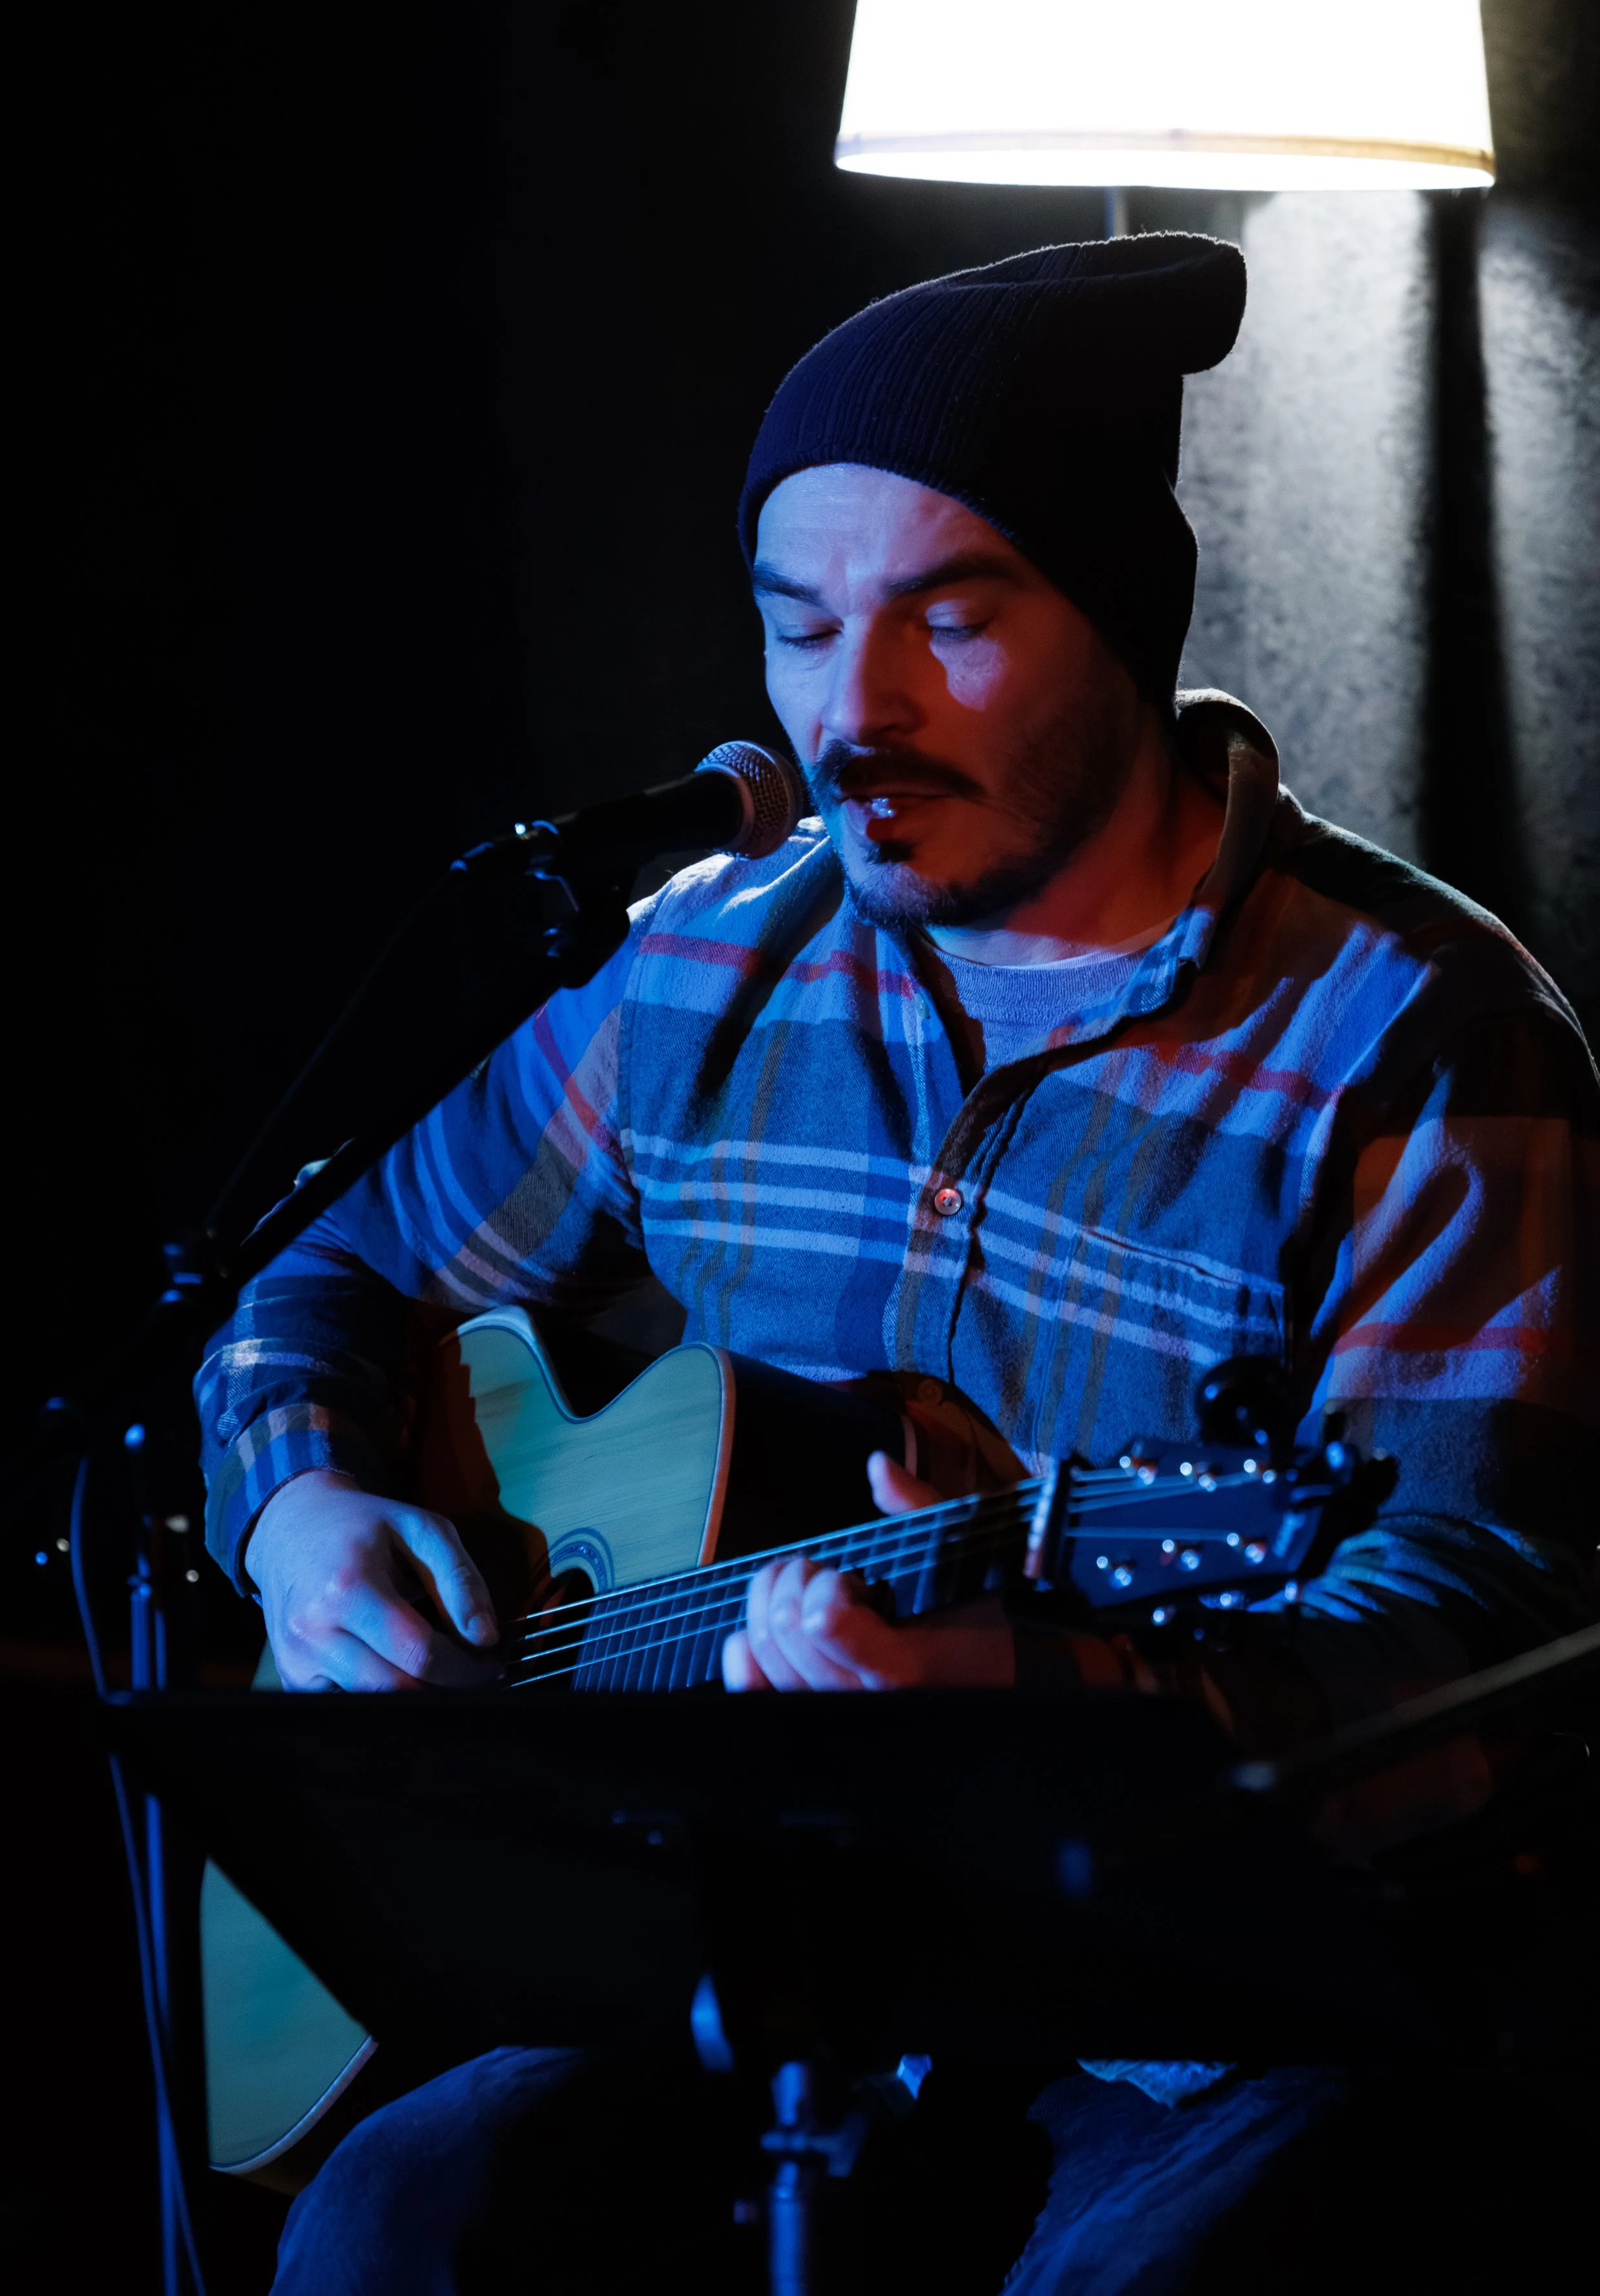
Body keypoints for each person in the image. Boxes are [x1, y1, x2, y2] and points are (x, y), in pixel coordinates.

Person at [198, 236, 1599, 2293]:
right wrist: (302, 1508)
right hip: (743, 1955)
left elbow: (1471, 1638)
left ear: (1118, 621)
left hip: (1190, 2014)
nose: (849, 710)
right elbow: (322, 1268)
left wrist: (1046, 1694)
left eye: (948, 620)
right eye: (797, 624)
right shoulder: (702, 959)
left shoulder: (1414, 1033)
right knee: (403, 2218)